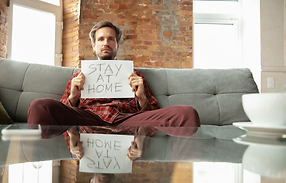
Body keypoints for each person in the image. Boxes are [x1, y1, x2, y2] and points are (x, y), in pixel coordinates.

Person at [27, 21, 200, 128]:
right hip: (88, 118)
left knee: (186, 113)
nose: (106, 43)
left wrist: (141, 98)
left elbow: (153, 111)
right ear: (94, 46)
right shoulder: (80, 75)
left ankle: (185, 172)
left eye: (111, 39)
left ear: (117, 45)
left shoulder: (134, 74)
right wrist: (73, 97)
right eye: (101, 39)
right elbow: (62, 110)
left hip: (126, 119)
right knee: (39, 106)